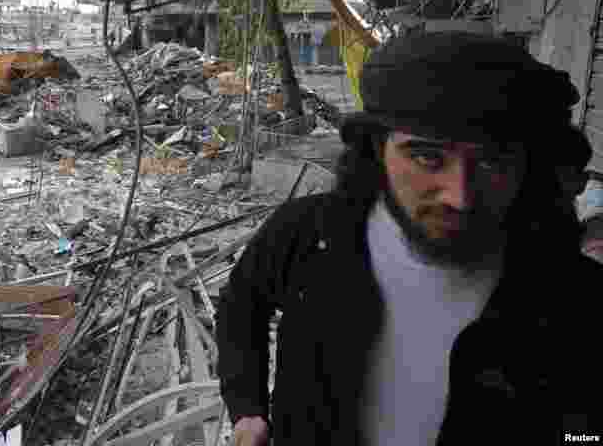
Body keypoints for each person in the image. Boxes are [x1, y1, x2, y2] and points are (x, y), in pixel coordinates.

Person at [216, 32, 603, 446]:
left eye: (491, 161)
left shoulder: (576, 296)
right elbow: (242, 303)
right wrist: (247, 409)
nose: (459, 195)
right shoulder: (308, 234)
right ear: (377, 149)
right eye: (427, 157)